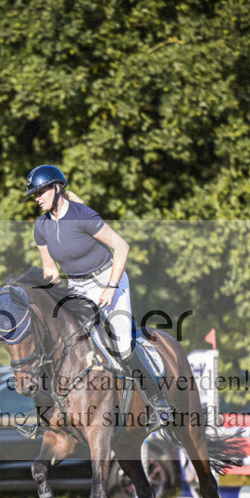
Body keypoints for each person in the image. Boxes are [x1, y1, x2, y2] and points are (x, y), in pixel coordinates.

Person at [24, 164, 171, 428]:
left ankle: (159, 404)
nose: (37, 198)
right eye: (34, 194)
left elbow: (122, 247)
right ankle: (48, 414)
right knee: (57, 341)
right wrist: (43, 289)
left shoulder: (82, 215)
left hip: (109, 279)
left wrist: (111, 287)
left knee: (122, 346)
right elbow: (50, 269)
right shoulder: (41, 227)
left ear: (57, 189)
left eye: (41, 192)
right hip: (78, 287)